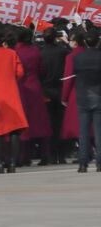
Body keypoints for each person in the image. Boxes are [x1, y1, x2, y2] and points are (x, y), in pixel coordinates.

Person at [0, 31, 28, 174]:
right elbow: (20, 72)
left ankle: (0, 163)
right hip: (12, 93)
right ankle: (13, 163)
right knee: (15, 129)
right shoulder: (12, 53)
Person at [14, 27, 52, 165]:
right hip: (35, 87)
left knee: (23, 123)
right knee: (40, 122)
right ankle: (45, 155)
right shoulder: (36, 51)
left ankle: (24, 157)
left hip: (21, 88)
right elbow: (42, 69)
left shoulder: (15, 52)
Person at [71, 29, 101, 173]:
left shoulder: (78, 58)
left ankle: (83, 163)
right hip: (98, 94)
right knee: (98, 131)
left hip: (82, 95)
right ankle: (100, 162)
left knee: (83, 131)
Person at [40, 27, 70, 163]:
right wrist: (66, 42)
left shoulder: (40, 52)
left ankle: (50, 154)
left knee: (49, 124)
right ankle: (62, 154)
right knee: (60, 123)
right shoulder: (62, 51)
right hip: (60, 89)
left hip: (46, 90)